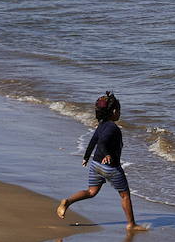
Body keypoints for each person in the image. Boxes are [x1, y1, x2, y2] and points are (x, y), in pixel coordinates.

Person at [57, 92, 149, 231]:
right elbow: (102, 142)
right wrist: (107, 154)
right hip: (110, 168)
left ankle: (67, 201)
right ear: (113, 111)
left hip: (96, 165)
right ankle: (131, 224)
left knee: (91, 192)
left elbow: (94, 140)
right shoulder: (112, 127)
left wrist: (86, 157)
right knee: (125, 195)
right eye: (119, 110)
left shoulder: (101, 125)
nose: (119, 113)